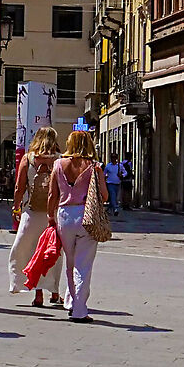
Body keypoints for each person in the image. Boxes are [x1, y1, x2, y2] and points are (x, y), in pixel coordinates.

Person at [53, 129, 107, 322]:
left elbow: (53, 195)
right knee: (83, 265)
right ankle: (79, 309)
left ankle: (70, 300)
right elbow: (105, 195)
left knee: (70, 261)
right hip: (86, 215)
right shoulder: (94, 166)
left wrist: (52, 219)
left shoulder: (58, 164)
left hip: (64, 215)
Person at [6, 125, 61, 307]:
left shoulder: (28, 159)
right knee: (53, 253)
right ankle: (54, 292)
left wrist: (16, 208)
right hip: (53, 214)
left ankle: (37, 293)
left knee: (29, 251)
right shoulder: (60, 160)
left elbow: (19, 188)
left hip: (31, 212)